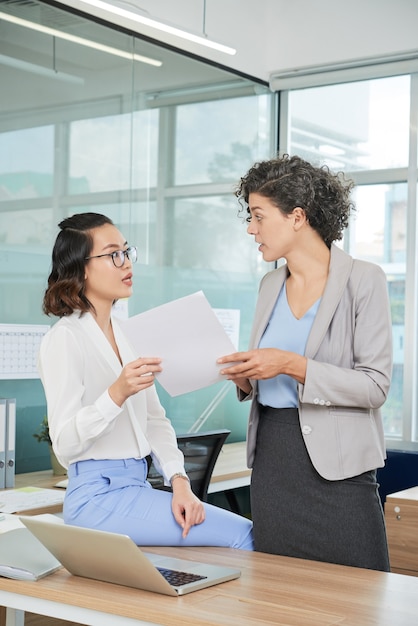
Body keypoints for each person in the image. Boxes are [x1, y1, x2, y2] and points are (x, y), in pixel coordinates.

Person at [217, 154, 392, 570]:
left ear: (297, 216)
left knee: (361, 596)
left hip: (339, 470)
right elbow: (269, 374)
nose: (250, 228)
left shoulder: (363, 279)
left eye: (258, 216)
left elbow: (375, 386)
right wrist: (246, 377)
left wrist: (291, 364)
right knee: (281, 592)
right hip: (275, 462)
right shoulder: (270, 284)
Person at [39, 212, 253, 550]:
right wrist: (117, 393)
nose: (126, 263)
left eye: (126, 251)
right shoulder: (64, 338)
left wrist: (180, 482)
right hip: (97, 495)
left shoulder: (128, 336)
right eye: (113, 255)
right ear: (81, 268)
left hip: (138, 485)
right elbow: (65, 445)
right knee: (243, 535)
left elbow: (155, 421)